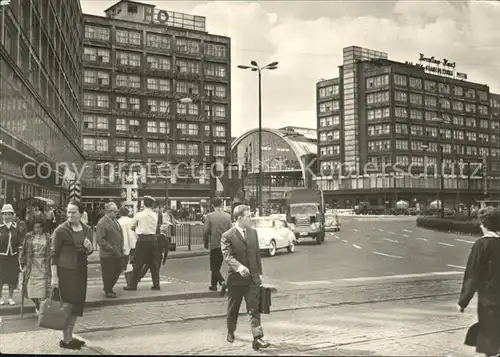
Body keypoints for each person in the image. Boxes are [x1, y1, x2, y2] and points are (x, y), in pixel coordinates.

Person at [220, 204, 270, 350]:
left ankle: (258, 338)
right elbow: (227, 256)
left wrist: (259, 273)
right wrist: (239, 267)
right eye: (248, 216)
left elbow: (256, 255)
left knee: (254, 309)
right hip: (235, 280)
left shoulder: (253, 233)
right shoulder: (227, 236)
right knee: (233, 308)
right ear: (239, 218)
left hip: (252, 279)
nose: (251, 218)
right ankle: (230, 331)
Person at [51, 200, 94, 350]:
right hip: (66, 272)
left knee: (77, 305)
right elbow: (53, 255)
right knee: (68, 306)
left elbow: (90, 250)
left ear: (81, 214)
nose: (70, 215)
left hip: (81, 270)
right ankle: (66, 340)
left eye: (73, 212)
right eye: (68, 212)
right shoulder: (61, 230)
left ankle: (70, 335)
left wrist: (90, 248)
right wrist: (54, 277)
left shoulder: (87, 229)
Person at [459, 206, 500, 357]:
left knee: (489, 332)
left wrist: (463, 301)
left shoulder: (481, 245)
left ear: (484, 224)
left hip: (488, 298)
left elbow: (473, 274)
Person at [123, 196, 160, 291]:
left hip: (142, 240)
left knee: (138, 263)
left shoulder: (139, 215)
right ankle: (156, 284)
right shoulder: (154, 215)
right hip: (152, 239)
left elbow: (132, 227)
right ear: (152, 204)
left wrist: (138, 230)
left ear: (144, 203)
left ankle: (133, 285)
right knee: (153, 263)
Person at [20, 219, 52, 314]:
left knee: (43, 290)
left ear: (43, 228)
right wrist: (22, 263)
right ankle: (37, 304)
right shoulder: (29, 237)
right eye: (35, 227)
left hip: (43, 264)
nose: (37, 229)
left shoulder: (48, 237)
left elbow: (51, 251)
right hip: (32, 264)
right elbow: (24, 250)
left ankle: (40, 308)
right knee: (30, 289)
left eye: (39, 227)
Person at [95, 202, 124, 298]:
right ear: (109, 212)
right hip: (108, 254)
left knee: (118, 269)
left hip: (117, 251)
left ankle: (108, 287)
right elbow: (100, 240)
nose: (117, 213)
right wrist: (111, 248)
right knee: (108, 272)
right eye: (115, 212)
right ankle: (108, 290)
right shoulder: (102, 223)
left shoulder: (115, 220)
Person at [203, 197, 232, 294]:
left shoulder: (210, 216)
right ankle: (213, 285)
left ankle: (222, 282)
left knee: (213, 267)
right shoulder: (228, 216)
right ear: (221, 204)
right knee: (217, 266)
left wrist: (205, 243)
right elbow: (231, 231)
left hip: (215, 244)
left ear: (212, 205)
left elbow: (206, 231)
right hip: (226, 244)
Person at [0, 204, 24, 306]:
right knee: (0, 277)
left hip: (13, 256)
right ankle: (0, 297)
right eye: (5, 214)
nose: (7, 217)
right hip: (1, 257)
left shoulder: (16, 227)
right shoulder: (0, 227)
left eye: (9, 214)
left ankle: (10, 297)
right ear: (2, 216)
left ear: (12, 215)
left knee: (12, 278)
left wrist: (20, 256)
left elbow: (19, 242)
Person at [118, 206, 137, 287]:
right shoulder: (132, 221)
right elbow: (136, 232)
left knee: (126, 265)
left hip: (123, 245)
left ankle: (129, 283)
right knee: (132, 263)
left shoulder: (117, 222)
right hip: (133, 244)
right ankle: (133, 282)